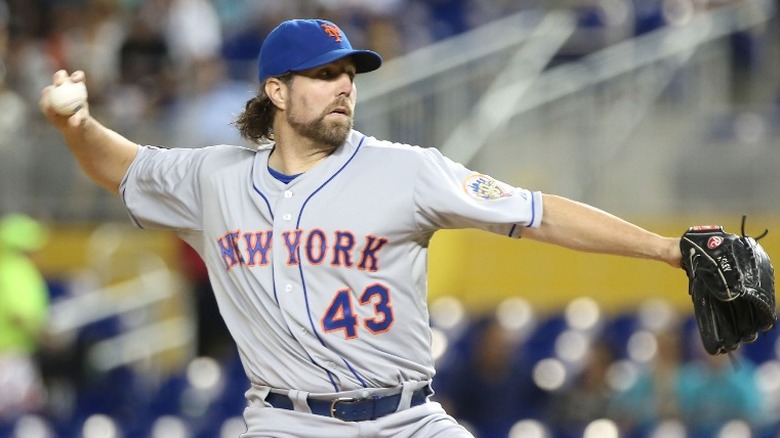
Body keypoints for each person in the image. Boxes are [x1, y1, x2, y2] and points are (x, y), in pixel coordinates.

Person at [39, 18, 682, 438]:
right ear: (278, 92)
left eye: (349, 74)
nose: (344, 85)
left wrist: (667, 249)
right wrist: (76, 126)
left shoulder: (407, 171)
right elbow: (118, 168)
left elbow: (537, 213)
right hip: (287, 423)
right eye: (323, 75)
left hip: (408, 418)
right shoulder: (214, 180)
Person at [0, 213, 50, 424]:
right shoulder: (15, 271)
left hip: (15, 355)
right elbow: (18, 315)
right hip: (9, 358)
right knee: (19, 415)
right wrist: (45, 336)